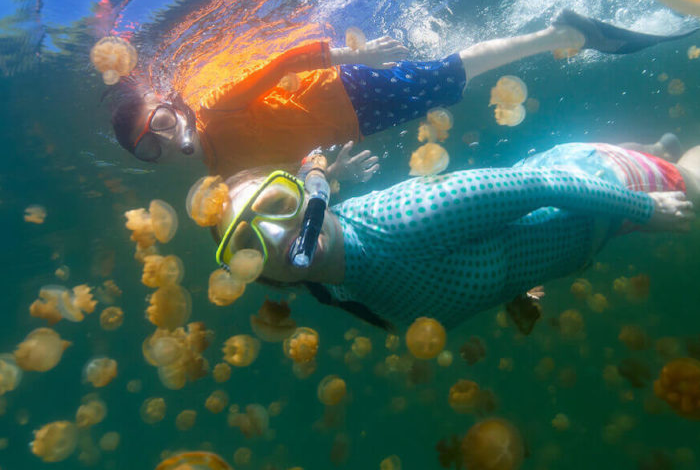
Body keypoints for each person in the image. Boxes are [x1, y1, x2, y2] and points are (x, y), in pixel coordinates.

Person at [193, 134, 698, 332]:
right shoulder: (335, 290)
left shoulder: (407, 215)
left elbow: (541, 184)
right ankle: (652, 146)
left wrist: (643, 207)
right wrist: (514, 287)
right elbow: (454, 267)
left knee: (692, 182)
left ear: (307, 196)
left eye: (277, 205)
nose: (279, 237)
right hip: (595, 230)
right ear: (261, 276)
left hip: (599, 183)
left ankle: (663, 159)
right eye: (246, 245)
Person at [109, 10, 698, 178]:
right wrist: (332, 171)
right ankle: (559, 32)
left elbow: (278, 63)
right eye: (150, 148)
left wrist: (355, 53)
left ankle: (560, 33)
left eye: (159, 125)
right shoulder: (220, 173)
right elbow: (290, 160)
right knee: (447, 84)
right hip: (353, 128)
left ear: (170, 105)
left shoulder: (214, 106)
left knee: (447, 74)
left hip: (345, 87)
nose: (165, 140)